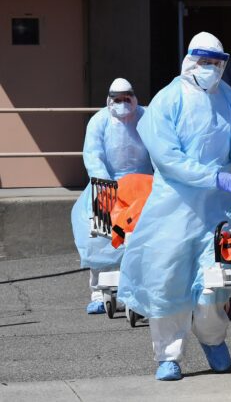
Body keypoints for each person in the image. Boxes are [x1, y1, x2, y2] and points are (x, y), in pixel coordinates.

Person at [117, 32, 231, 381]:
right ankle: (168, 356)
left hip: (217, 213)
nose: (211, 69)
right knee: (169, 285)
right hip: (174, 212)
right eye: (205, 62)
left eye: (217, 63)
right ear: (190, 60)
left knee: (214, 287)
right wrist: (214, 177)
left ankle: (213, 340)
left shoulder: (229, 99)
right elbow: (168, 159)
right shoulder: (168, 100)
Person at [71, 78, 152, 314]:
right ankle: (99, 291)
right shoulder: (98, 121)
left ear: (134, 97)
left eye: (127, 98)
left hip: (142, 187)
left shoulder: (146, 118)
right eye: (118, 99)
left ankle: (137, 289)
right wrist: (106, 184)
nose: (123, 103)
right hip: (106, 187)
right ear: (109, 100)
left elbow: (158, 149)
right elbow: (93, 155)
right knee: (100, 239)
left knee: (141, 239)